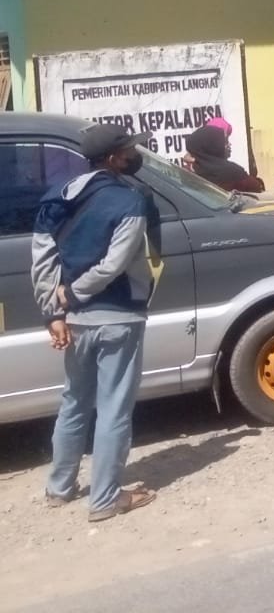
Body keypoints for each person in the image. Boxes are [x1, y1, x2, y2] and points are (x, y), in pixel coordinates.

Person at [32, 124, 161, 520]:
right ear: (112, 158)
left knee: (74, 401)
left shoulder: (58, 195)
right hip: (118, 315)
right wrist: (75, 293)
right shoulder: (130, 200)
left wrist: (54, 311)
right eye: (127, 151)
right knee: (113, 408)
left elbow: (42, 259)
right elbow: (116, 263)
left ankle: (59, 488)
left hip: (75, 320)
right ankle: (105, 499)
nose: (133, 157)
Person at [183, 125, 265, 194]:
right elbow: (256, 188)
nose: (228, 144)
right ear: (213, 146)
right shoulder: (233, 172)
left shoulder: (187, 174)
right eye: (224, 142)